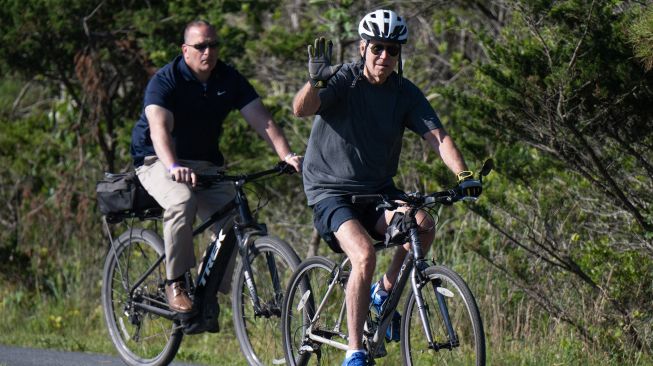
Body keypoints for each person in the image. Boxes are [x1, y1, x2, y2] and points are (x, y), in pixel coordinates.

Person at [293, 9, 478, 366]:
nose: (384, 57)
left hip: (377, 190)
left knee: (422, 225)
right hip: (330, 192)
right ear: (363, 47)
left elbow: (438, 137)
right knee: (364, 254)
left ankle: (384, 291)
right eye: (378, 48)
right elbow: (302, 110)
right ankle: (355, 350)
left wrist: (463, 175)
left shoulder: (403, 92)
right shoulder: (343, 79)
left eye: (393, 50)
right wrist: (315, 82)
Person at [131, 20, 302, 315]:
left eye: (213, 45)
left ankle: (207, 292)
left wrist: (286, 155)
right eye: (200, 46)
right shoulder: (166, 80)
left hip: (204, 162)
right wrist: (172, 165)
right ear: (185, 50)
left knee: (235, 218)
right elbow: (159, 129)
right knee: (181, 201)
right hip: (157, 159)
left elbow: (263, 119)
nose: (208, 51)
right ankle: (176, 283)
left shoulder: (227, 78)